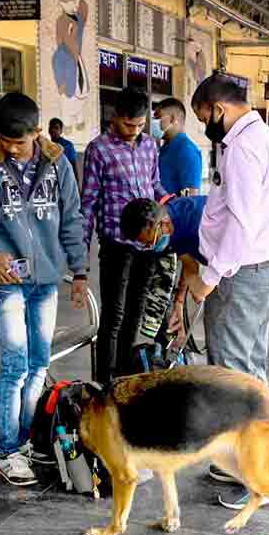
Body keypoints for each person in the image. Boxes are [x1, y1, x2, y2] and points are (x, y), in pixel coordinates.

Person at [0, 92, 88, 486]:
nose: (12, 149)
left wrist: (79, 271)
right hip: (6, 282)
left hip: (45, 281)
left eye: (20, 142)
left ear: (37, 133)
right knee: (14, 366)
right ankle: (9, 450)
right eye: (6, 142)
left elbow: (72, 219)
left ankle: (26, 440)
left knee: (38, 364)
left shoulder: (58, 163)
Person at [186, 73, 269, 510]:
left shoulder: (243, 149)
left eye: (203, 117)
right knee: (248, 371)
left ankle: (255, 478)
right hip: (261, 271)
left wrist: (210, 276)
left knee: (237, 381)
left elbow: (242, 224)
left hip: (241, 275)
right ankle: (241, 459)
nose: (205, 126)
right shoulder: (268, 141)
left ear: (219, 108)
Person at [81, 87, 168, 384]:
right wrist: (81, 258)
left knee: (136, 311)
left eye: (140, 125)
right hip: (117, 243)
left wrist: (171, 204)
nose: (134, 131)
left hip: (148, 241)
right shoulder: (99, 149)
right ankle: (104, 382)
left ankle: (125, 379)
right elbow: (89, 202)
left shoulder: (150, 145)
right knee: (114, 315)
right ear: (115, 117)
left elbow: (154, 184)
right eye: (128, 125)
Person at [119, 195, 207, 348]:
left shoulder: (196, 220)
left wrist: (204, 288)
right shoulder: (169, 224)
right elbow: (190, 265)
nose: (151, 247)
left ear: (161, 224)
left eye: (150, 242)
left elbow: (227, 256)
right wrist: (179, 303)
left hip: (245, 263)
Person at [152, 98, 203, 196]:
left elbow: (190, 197)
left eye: (158, 117)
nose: (154, 122)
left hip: (172, 210)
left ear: (172, 119)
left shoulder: (187, 150)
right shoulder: (166, 147)